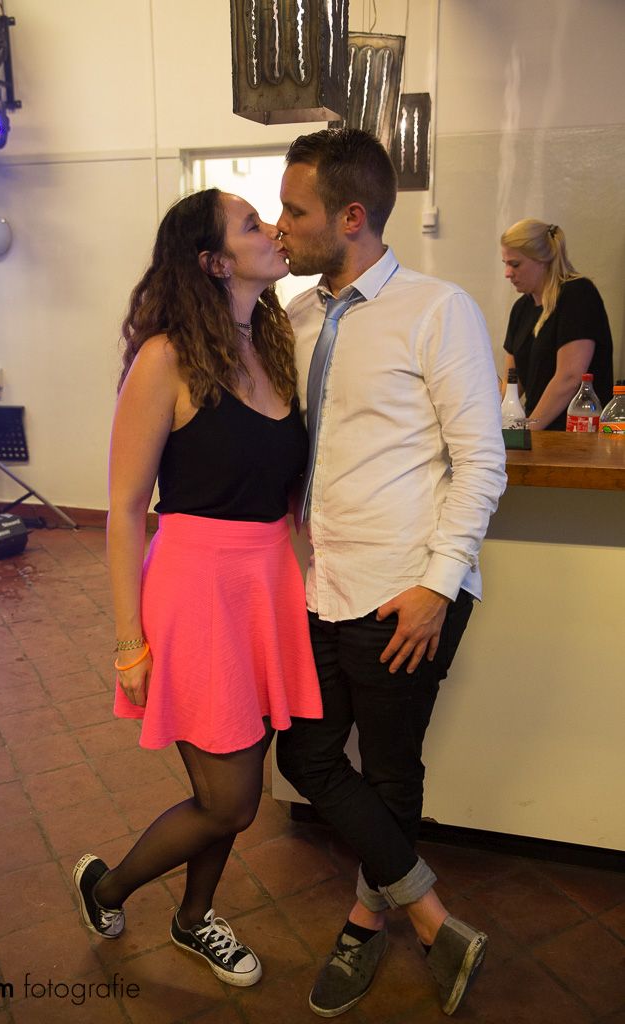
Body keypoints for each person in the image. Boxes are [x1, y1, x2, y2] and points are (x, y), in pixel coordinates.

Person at [274, 128, 507, 1018]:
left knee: (390, 771)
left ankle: (363, 926)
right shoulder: (293, 319)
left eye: (294, 210)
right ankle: (431, 916)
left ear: (351, 217)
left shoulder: (437, 309)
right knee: (306, 754)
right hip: (317, 585)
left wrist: (437, 587)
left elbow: (480, 461)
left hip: (404, 590)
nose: (280, 225)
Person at [73, 188, 322, 987]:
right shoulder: (165, 358)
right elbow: (123, 510)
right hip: (196, 592)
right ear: (214, 262)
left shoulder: (272, 344)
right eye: (252, 224)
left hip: (265, 587)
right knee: (230, 800)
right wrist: (128, 643)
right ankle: (106, 888)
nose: (273, 229)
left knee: (233, 783)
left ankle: (192, 919)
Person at [501, 218, 614, 429]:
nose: (507, 273)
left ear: (543, 259)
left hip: (575, 433)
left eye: (515, 264)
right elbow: (512, 383)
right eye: (505, 264)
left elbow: (569, 378)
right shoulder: (521, 308)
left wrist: (528, 429)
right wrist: (491, 423)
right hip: (538, 430)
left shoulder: (578, 295)